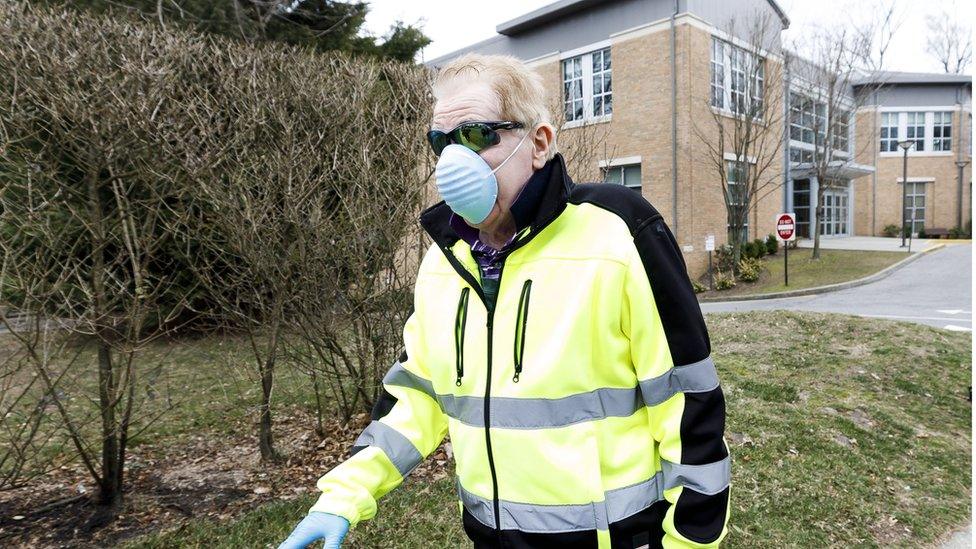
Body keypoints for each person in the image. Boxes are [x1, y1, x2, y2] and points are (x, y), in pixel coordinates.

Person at [279, 53, 731, 549]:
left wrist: (688, 542)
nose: (454, 161)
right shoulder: (442, 262)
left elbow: (689, 406)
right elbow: (417, 397)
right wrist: (343, 494)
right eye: (441, 142)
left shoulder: (618, 234)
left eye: (477, 135)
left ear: (538, 143)